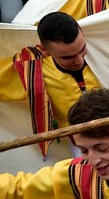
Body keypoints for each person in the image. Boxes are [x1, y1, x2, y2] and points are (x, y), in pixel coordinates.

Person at [0, 12, 101, 156]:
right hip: (82, 148)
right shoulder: (31, 70)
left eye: (82, 49)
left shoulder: (104, 50)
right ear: (45, 50)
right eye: (68, 57)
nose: (79, 61)